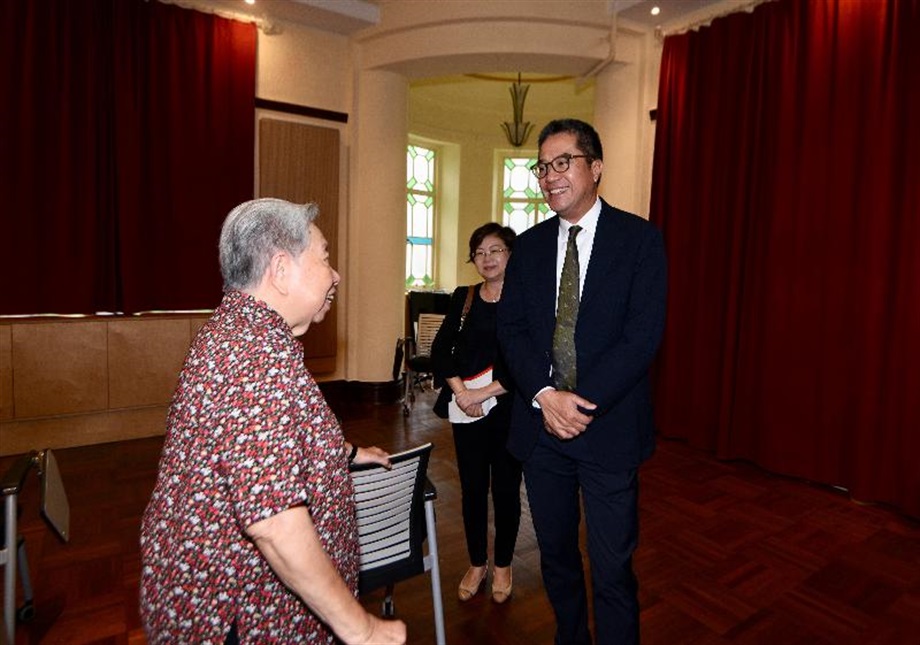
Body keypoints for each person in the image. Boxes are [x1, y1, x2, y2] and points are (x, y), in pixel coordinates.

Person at [140, 198, 406, 644]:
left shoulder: (245, 333)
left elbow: (267, 441)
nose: (335, 274)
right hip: (237, 613)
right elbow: (276, 524)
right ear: (281, 270)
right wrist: (363, 631)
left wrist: (349, 454)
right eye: (323, 258)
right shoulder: (254, 356)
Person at [497, 119, 667, 644]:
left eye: (562, 162)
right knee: (556, 558)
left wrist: (579, 403)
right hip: (542, 428)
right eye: (542, 167)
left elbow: (642, 336)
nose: (550, 176)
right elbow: (513, 330)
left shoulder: (639, 240)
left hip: (608, 430)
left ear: (595, 167)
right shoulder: (526, 247)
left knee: (613, 568)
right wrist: (547, 397)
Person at [430, 222, 523, 604]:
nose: (487, 259)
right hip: (466, 409)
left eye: (496, 250)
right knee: (471, 490)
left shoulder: (524, 300)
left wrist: (484, 392)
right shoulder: (463, 298)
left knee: (505, 491)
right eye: (480, 252)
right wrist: (463, 393)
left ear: (510, 255)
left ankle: (502, 565)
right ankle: (476, 563)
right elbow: (441, 351)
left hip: (507, 409)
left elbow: (527, 361)